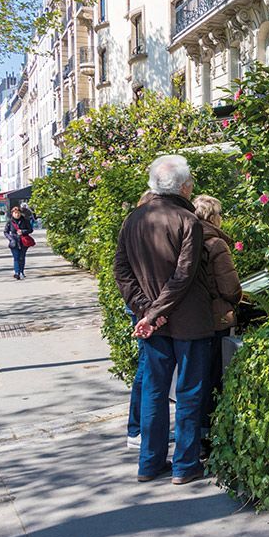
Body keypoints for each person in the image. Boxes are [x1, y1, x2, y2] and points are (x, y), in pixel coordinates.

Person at [113, 155, 214, 485]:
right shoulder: (189, 220)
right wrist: (153, 312)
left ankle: (149, 463)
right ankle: (185, 465)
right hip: (189, 321)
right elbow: (184, 276)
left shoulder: (133, 219)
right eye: (191, 181)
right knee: (188, 392)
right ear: (184, 186)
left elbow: (122, 272)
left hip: (154, 324)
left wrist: (146, 311)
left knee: (154, 392)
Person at [191, 195, 242, 448]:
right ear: (213, 217)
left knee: (196, 379)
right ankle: (210, 436)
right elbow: (230, 287)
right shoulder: (216, 244)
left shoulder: (188, 238)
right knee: (215, 378)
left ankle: (196, 436)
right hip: (217, 318)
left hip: (193, 318)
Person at [125, 192, 156, 451]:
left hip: (140, 307)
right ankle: (137, 429)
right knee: (146, 368)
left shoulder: (133, 230)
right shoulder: (141, 234)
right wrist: (149, 310)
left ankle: (138, 429)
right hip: (144, 309)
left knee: (147, 367)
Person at [4, 206, 33, 280]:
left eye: (18, 213)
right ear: (12, 214)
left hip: (23, 241)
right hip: (14, 242)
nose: (17, 214)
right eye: (15, 213)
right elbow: (5, 232)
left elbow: (30, 229)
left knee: (22, 257)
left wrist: (23, 231)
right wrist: (11, 239)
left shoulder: (25, 220)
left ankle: (22, 272)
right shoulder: (10, 222)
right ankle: (17, 273)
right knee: (16, 258)